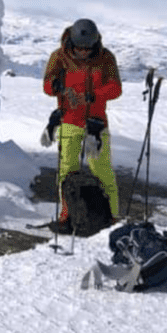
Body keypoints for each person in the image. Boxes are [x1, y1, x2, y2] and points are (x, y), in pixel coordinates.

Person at [42, 18, 123, 227]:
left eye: (88, 48)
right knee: (66, 170)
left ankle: (112, 217)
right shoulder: (59, 57)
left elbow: (115, 88)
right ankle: (66, 215)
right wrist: (57, 85)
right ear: (72, 43)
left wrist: (93, 95)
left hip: (97, 123)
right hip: (69, 120)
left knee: (102, 170)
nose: (84, 52)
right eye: (79, 48)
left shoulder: (105, 58)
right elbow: (47, 86)